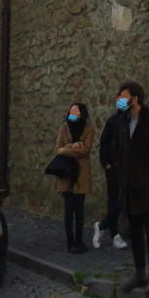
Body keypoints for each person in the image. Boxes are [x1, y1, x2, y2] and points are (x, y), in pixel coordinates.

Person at [111, 80, 149, 294]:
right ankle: (139, 273)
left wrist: (142, 164)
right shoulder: (122, 121)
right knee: (134, 232)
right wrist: (120, 168)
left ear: (134, 99)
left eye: (123, 96)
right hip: (129, 187)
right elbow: (115, 147)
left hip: (147, 185)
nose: (120, 100)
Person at [54, 102, 93, 254]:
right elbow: (59, 150)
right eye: (70, 110)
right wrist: (74, 146)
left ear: (82, 113)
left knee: (80, 210)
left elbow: (86, 150)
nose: (72, 112)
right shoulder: (63, 129)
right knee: (69, 210)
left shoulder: (89, 129)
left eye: (75, 111)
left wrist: (67, 148)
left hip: (81, 174)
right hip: (66, 174)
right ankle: (70, 242)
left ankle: (79, 240)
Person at [93, 106, 128, 250]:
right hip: (113, 168)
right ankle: (115, 235)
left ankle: (101, 226)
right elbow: (104, 143)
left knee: (126, 199)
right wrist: (106, 164)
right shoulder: (112, 121)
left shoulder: (132, 122)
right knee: (113, 200)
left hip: (127, 169)